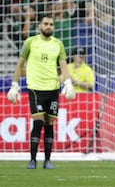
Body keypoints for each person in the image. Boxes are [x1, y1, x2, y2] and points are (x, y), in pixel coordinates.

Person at [7, 15, 75, 169]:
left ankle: (47, 160)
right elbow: (20, 64)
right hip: (36, 88)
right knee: (38, 123)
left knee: (50, 124)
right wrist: (14, 84)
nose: (48, 26)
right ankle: (32, 159)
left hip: (52, 89)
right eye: (46, 24)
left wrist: (68, 81)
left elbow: (63, 65)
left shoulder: (58, 44)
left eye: (51, 24)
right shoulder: (30, 42)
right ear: (39, 26)